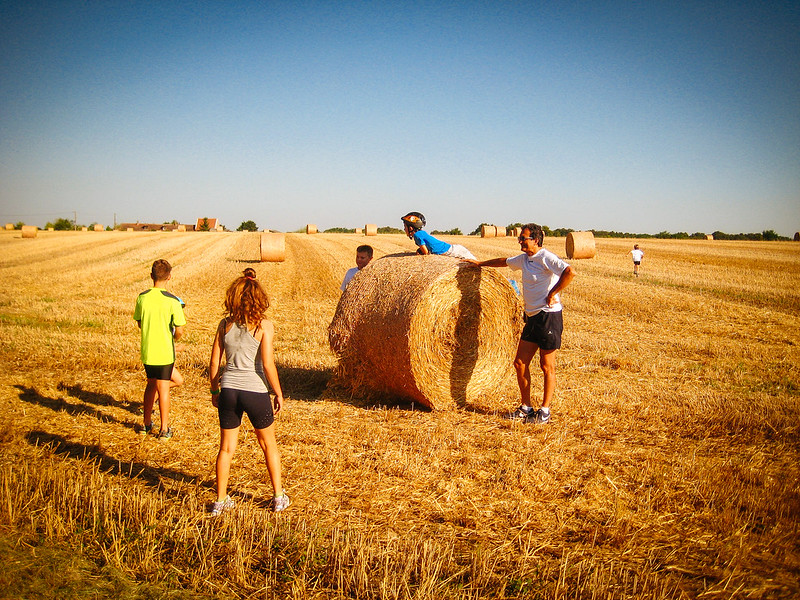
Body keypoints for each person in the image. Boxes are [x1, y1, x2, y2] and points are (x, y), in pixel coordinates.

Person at [469, 223, 575, 424]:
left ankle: (544, 411)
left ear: (535, 240)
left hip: (548, 316)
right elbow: (503, 261)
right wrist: (479, 264)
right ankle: (526, 408)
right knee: (520, 363)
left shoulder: (546, 257)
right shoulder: (525, 259)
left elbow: (570, 272)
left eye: (523, 238)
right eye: (520, 238)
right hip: (532, 317)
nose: (520, 241)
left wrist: (553, 293)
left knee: (546, 365)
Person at [208, 267, 289, 515]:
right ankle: (278, 497)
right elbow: (267, 364)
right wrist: (278, 393)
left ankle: (220, 501)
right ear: (259, 298)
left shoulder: (225, 325)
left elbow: (214, 363)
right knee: (268, 446)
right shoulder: (264, 325)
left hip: (229, 390)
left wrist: (215, 390)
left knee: (226, 449)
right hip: (255, 391)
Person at [133, 259, 186, 440]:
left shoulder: (142, 297)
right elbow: (179, 331)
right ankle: (164, 429)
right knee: (163, 389)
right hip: (165, 352)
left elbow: (139, 323)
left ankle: (146, 424)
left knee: (150, 385)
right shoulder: (173, 301)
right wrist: (173, 338)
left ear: (151, 276)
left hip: (148, 351)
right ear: (169, 276)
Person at [401, 212, 476, 260]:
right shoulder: (421, 233)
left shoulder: (417, 235)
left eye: (405, 227)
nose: (404, 229)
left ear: (410, 227)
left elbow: (426, 252)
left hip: (454, 251)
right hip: (454, 249)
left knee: (477, 266)